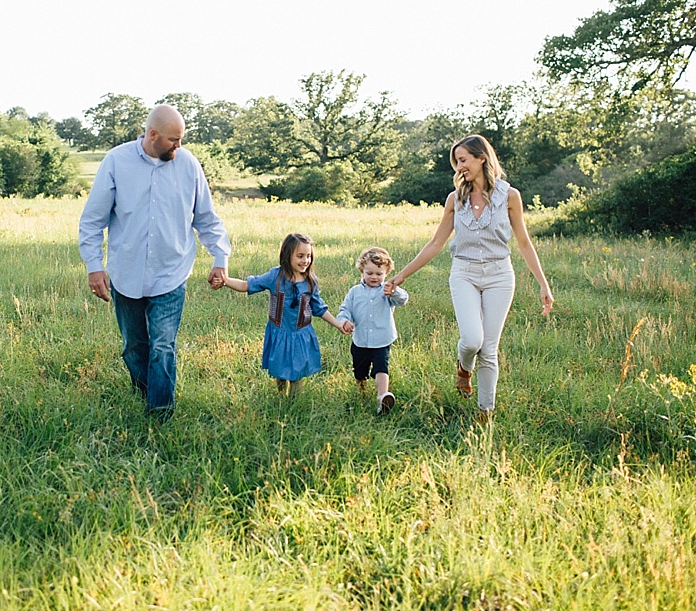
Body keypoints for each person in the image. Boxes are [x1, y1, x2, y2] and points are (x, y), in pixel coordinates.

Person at [386, 134, 553, 422]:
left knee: (489, 348)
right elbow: (436, 243)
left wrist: (543, 284)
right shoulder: (455, 199)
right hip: (464, 273)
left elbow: (524, 242)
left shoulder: (509, 196)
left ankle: (484, 411)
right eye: (456, 162)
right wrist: (401, 275)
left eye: (463, 160)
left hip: (500, 275)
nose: (459, 167)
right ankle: (464, 367)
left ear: (482, 158)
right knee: (472, 339)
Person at [78, 104, 231, 419]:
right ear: (152, 135)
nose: (179, 146)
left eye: (182, 140)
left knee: (162, 347)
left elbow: (205, 218)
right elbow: (92, 221)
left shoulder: (188, 165)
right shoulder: (116, 162)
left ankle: (159, 414)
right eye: (174, 140)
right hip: (126, 273)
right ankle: (145, 391)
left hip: (170, 273)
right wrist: (94, 266)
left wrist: (220, 256)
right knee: (134, 348)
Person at [215, 232, 351, 396]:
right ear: (287, 255)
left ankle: (294, 403)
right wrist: (225, 280)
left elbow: (319, 308)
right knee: (280, 371)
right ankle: (280, 397)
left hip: (300, 334)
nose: (305, 261)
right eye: (300, 256)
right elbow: (247, 285)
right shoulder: (276, 277)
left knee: (296, 373)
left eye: (308, 256)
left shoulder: (310, 281)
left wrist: (338, 324)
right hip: (279, 333)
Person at [337, 246, 410, 415]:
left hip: (382, 339)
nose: (374, 277)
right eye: (369, 273)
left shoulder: (388, 291)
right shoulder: (355, 292)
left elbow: (403, 300)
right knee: (360, 371)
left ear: (386, 273)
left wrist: (395, 291)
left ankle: (382, 397)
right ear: (362, 271)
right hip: (360, 340)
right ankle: (361, 393)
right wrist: (344, 321)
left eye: (379, 274)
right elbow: (345, 309)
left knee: (381, 368)